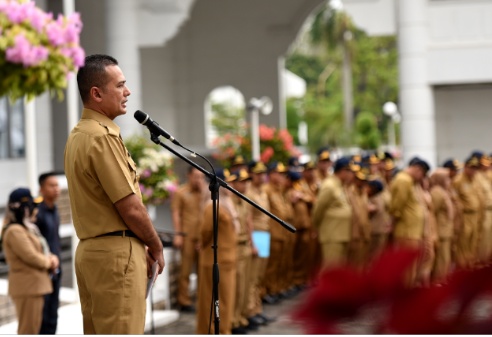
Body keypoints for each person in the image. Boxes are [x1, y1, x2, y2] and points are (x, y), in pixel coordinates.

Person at [64, 54, 165, 334]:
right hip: (115, 256)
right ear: (96, 93)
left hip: (92, 252)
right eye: (120, 85)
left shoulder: (79, 134)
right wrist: (155, 245)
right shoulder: (102, 137)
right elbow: (130, 207)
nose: (127, 92)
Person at [1, 188, 59, 334]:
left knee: (35, 328)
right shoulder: (15, 231)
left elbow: (41, 251)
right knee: (28, 330)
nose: (35, 210)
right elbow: (31, 257)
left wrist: (52, 257)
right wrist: (50, 262)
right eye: (32, 206)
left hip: (35, 287)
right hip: (28, 288)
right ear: (23, 209)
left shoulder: (26, 228)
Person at [196, 169, 238, 334]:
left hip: (226, 259)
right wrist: (202, 242)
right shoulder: (213, 206)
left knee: (225, 300)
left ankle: (223, 331)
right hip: (214, 260)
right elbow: (206, 232)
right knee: (211, 301)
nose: (230, 186)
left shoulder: (226, 203)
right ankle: (211, 331)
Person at [388, 157, 430, 285]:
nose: (421, 178)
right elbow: (397, 205)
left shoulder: (409, 181)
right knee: (408, 265)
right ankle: (406, 291)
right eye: (422, 174)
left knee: (413, 264)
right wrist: (393, 222)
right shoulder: (403, 180)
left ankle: (410, 287)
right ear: (417, 169)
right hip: (407, 231)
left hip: (412, 230)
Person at [171, 166, 206, 312]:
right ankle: (184, 301)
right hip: (187, 236)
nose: (199, 179)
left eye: (201, 177)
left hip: (203, 237)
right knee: (185, 270)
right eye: (196, 176)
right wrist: (178, 234)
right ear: (189, 176)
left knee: (202, 270)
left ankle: (202, 299)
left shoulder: (205, 192)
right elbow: (176, 213)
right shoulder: (181, 192)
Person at [312, 157, 355, 269]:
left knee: (339, 267)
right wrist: (316, 227)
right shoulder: (329, 185)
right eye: (350, 171)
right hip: (332, 234)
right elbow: (318, 209)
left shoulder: (340, 185)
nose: (352, 175)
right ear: (343, 171)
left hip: (341, 233)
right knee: (331, 267)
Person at [36, 172, 62, 334]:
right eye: (51, 185)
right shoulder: (37, 212)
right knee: (42, 315)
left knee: (53, 312)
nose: (56, 189)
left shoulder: (56, 210)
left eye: (57, 185)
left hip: (57, 269)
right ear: (41, 189)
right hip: (43, 270)